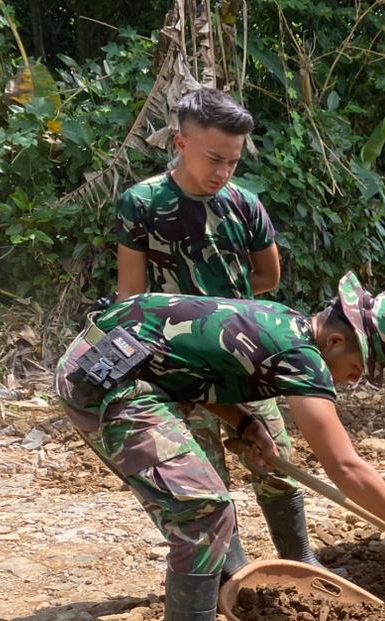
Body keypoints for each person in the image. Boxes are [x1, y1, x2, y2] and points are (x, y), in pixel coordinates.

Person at [54, 273, 385, 621]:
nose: (351, 381)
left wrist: (244, 423)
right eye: (355, 368)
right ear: (334, 341)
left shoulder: (284, 322)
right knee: (202, 512)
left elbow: (191, 365)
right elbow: (346, 467)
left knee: (209, 508)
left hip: (130, 363)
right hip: (106, 378)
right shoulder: (302, 355)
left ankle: (230, 607)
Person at [114, 87, 313, 575]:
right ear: (180, 144)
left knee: (275, 462)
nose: (224, 172)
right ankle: (237, 581)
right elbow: (130, 299)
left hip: (244, 359)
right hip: (176, 370)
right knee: (206, 482)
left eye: (233, 161)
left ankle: (302, 560)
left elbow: (269, 276)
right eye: (214, 158)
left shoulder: (244, 205)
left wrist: (227, 314)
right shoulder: (141, 204)